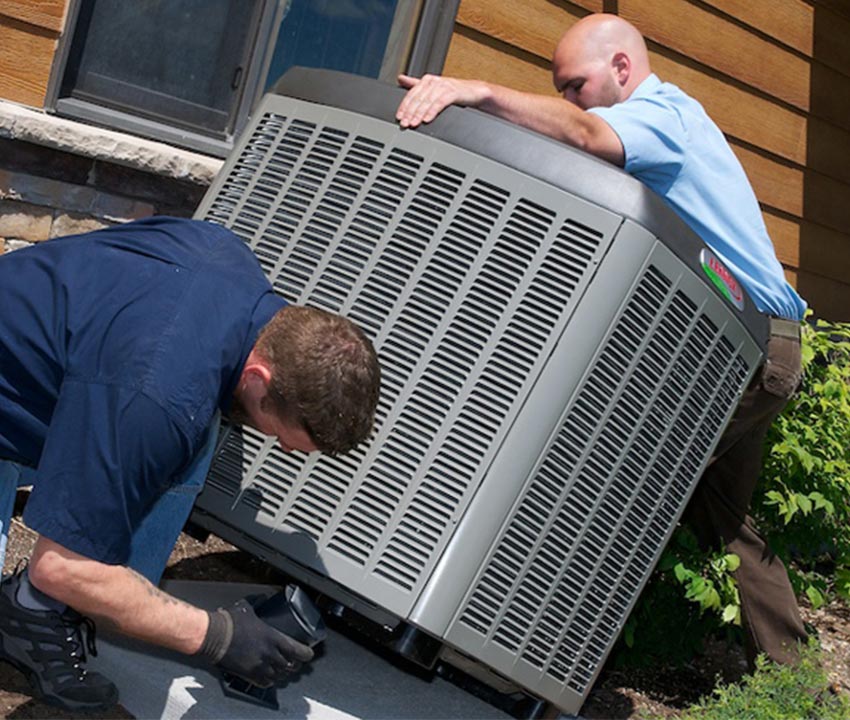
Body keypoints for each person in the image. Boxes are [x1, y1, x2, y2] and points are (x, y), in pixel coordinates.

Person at [397, 13, 809, 669]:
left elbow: (587, 136)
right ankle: (804, 689)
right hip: (759, 345)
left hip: (745, 349)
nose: (568, 101)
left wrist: (477, 90)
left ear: (622, 68)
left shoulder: (660, 116)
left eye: (574, 85)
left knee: (615, 488)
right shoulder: (652, 124)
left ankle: (520, 659)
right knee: (727, 521)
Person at [0, 215, 381, 711]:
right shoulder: (155, 393)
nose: (283, 449)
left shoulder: (228, 260)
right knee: (171, 429)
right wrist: (216, 636)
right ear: (262, 379)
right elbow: (62, 567)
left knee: (194, 432)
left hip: (46, 385)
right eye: (285, 438)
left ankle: (39, 612)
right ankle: (73, 597)